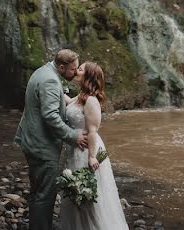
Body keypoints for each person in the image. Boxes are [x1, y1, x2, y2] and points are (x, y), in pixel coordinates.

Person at [15, 49, 89, 230]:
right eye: (73, 69)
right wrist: (73, 136)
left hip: (31, 140)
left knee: (38, 190)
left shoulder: (43, 71)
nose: (75, 72)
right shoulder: (50, 80)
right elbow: (50, 116)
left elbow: (50, 101)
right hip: (41, 146)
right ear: (62, 67)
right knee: (45, 194)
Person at [59, 61, 129, 230]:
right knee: (75, 192)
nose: (76, 70)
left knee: (87, 194)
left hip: (86, 150)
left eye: (80, 69)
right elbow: (69, 104)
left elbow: (92, 131)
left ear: (87, 76)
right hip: (75, 148)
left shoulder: (91, 100)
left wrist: (91, 157)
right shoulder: (80, 96)